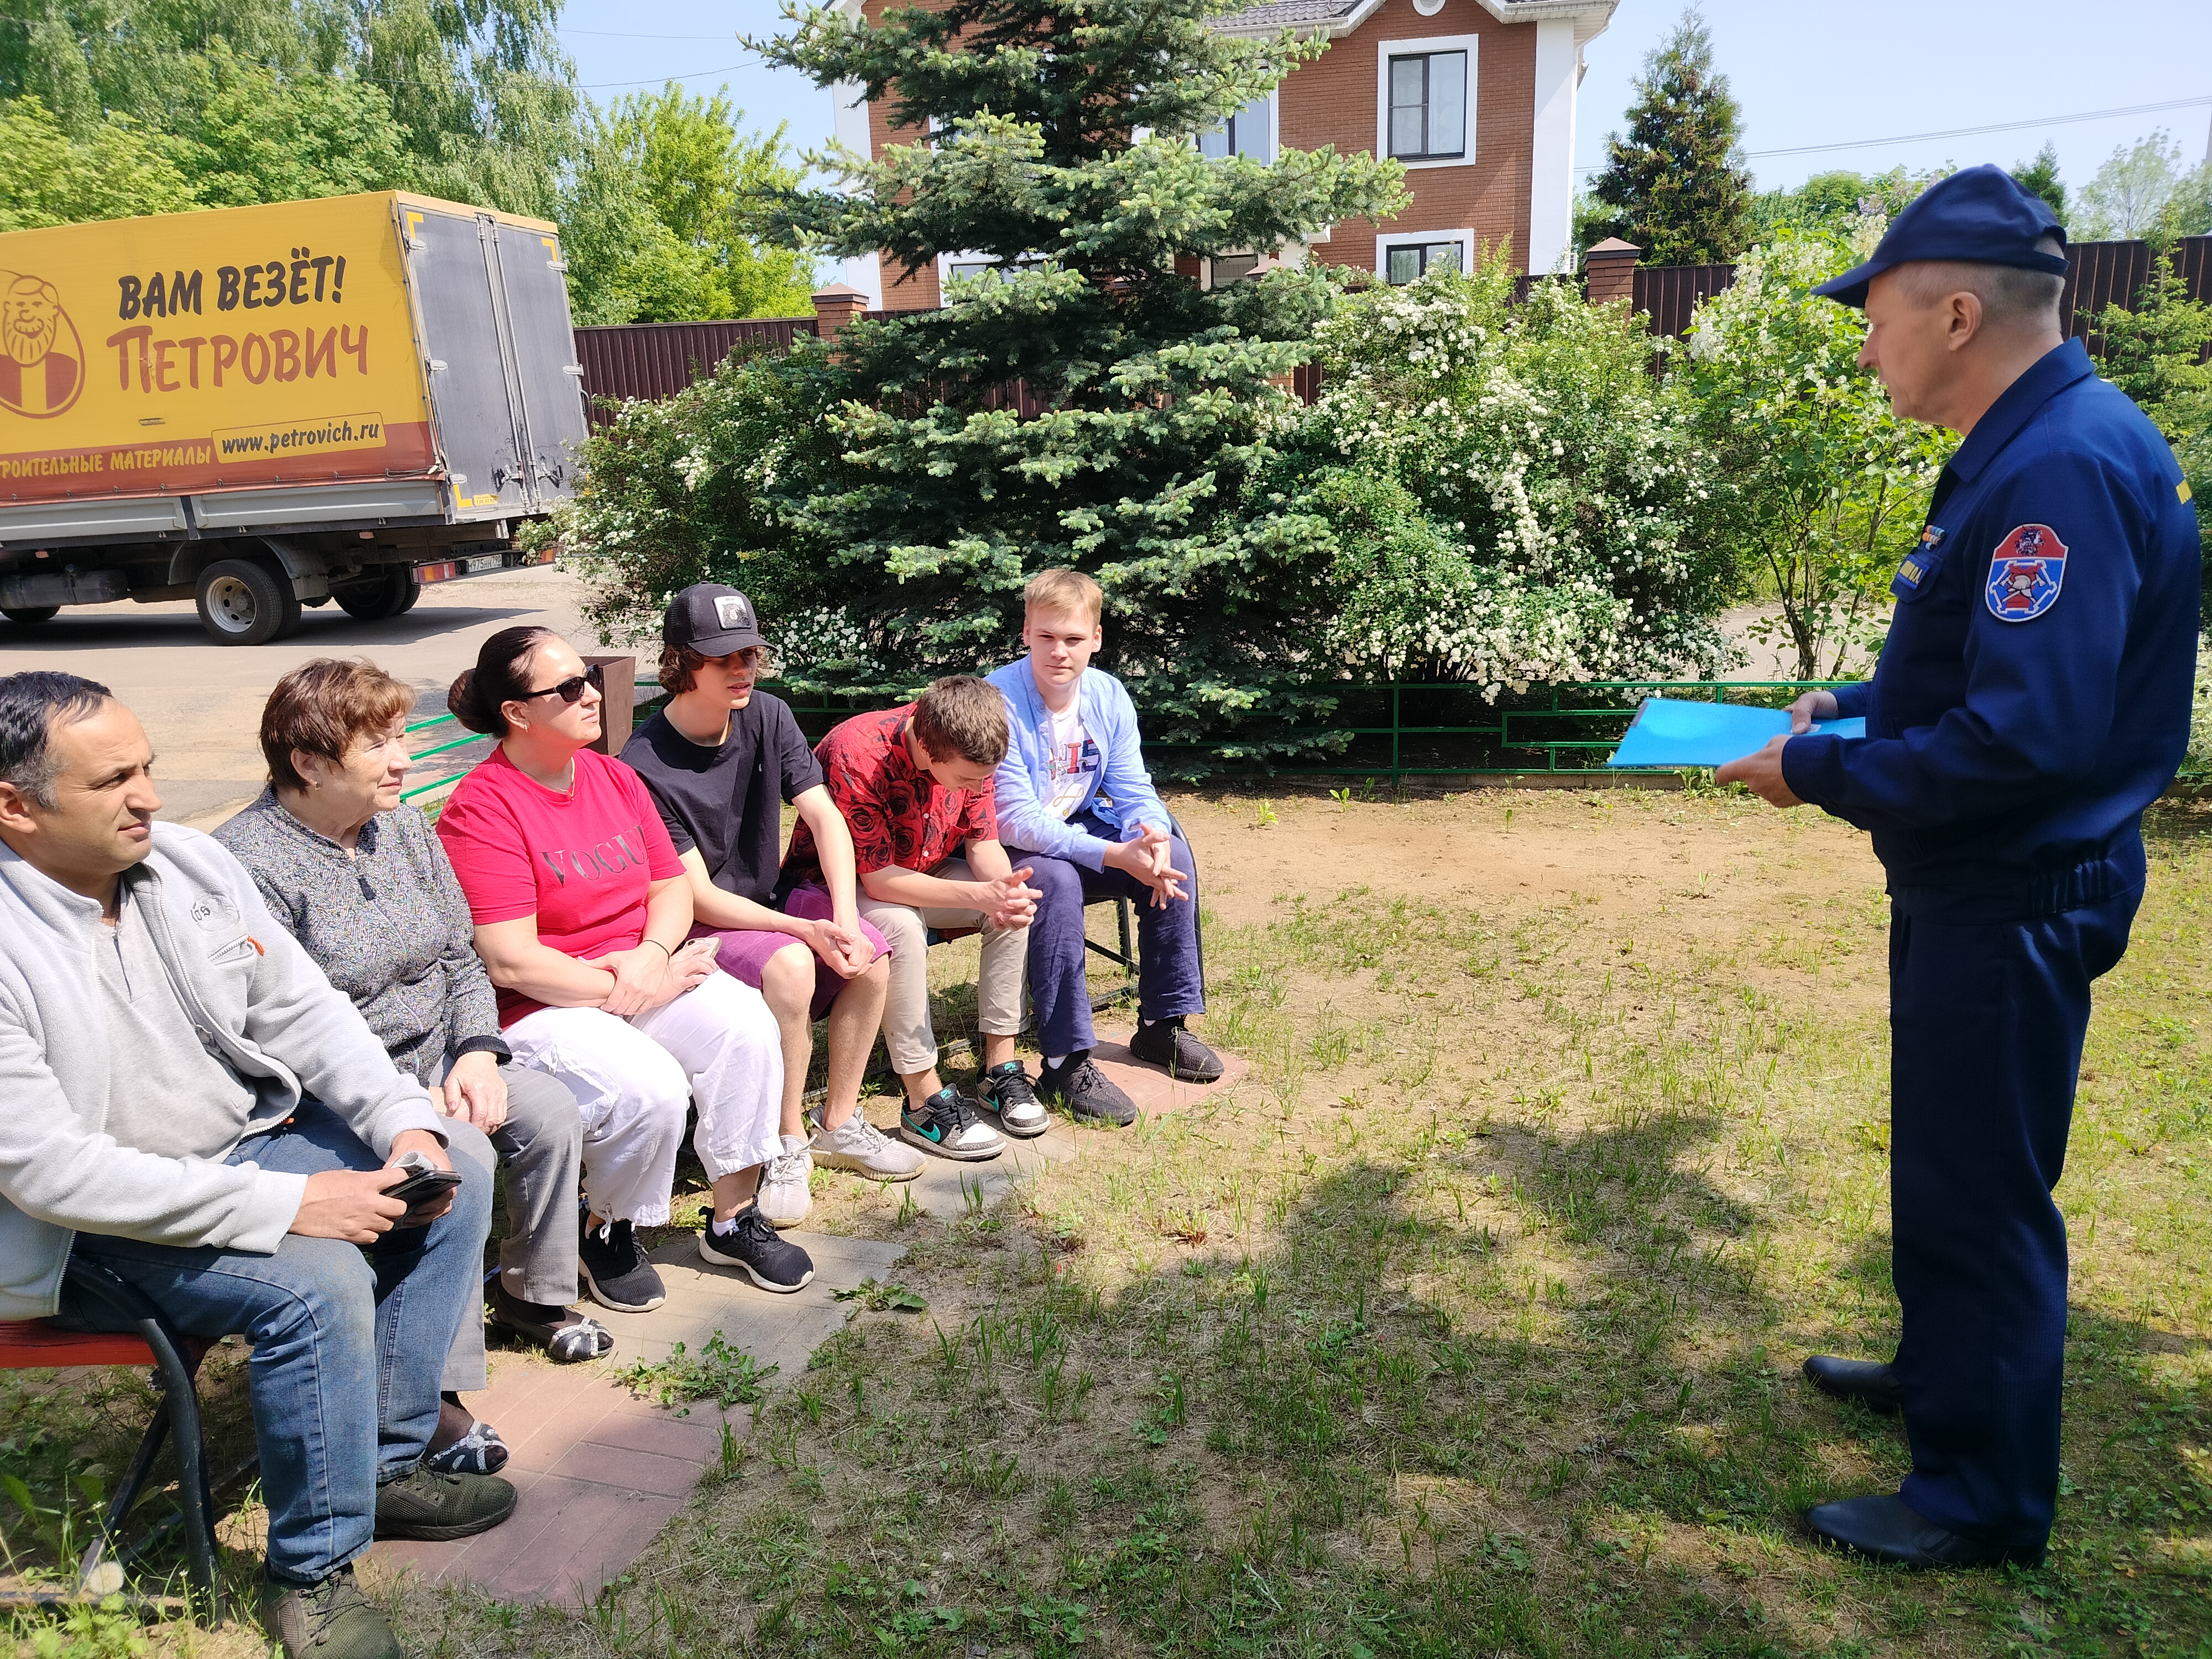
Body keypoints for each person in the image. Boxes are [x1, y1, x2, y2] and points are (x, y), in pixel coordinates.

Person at [1715, 166, 2200, 1568]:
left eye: (1870, 314)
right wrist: (1853, 712)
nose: (1861, 343)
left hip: (2009, 889)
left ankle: (1977, 1498)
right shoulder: (2036, 442)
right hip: (1977, 886)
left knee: (1979, 1186)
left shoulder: (2056, 463)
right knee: (1948, 1166)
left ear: (1954, 309)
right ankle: (1944, 1377)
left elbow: (2027, 739)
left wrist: (1811, 770)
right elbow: (1984, 667)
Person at [0, 672, 514, 1659]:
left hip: (243, 1146)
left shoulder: (187, 864)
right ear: (17, 807)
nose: (150, 795)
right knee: (313, 1285)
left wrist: (406, 1121)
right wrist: (289, 1203)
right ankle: (312, 1573)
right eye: (114, 780)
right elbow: (52, 1175)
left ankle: (386, 1464)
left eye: (148, 767)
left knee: (460, 1167)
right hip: (84, 1228)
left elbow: (303, 1011)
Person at [215, 659, 612, 1400]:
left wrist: (477, 1055)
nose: (405, 759)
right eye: (380, 746)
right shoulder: (247, 865)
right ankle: (437, 1391)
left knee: (549, 1109)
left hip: (444, 1057)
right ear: (308, 762)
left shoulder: (399, 828)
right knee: (456, 1154)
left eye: (402, 737)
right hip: (335, 1098)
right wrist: (406, 1098)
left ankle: (533, 1294)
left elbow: (461, 955)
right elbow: (274, 1028)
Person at [434, 628, 813, 1306]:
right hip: (543, 1005)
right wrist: (625, 986)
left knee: (746, 1029)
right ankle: (603, 1228)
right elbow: (510, 959)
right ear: (518, 714)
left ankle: (732, 1219)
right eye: (570, 687)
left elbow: (669, 889)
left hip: (638, 970)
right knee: (651, 1089)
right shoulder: (482, 808)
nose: (592, 695)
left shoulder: (614, 777)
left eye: (588, 677)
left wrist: (651, 956)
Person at [622, 586, 924, 1222]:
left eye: (750, 656)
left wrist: (843, 917)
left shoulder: (767, 713)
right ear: (681, 662)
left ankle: (837, 1123)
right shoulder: (642, 761)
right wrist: (803, 928)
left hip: (769, 901)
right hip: (700, 924)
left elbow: (824, 815)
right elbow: (696, 894)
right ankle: (787, 1141)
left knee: (867, 951)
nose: (741, 671)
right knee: (791, 962)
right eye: (722, 658)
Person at [988, 568, 1220, 1125]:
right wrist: (1115, 855)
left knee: (1176, 860)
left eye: (1073, 639)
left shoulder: (1107, 694)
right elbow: (1015, 819)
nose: (1059, 652)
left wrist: (1149, 832)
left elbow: (1132, 784)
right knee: (1057, 881)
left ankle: (1161, 1028)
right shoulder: (1000, 698)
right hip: (1016, 847)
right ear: (1026, 633)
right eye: (1046, 637)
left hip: (1078, 828)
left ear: (1095, 638)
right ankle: (1066, 1062)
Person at [786, 676, 1041, 1160]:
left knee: (1010, 913)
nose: (975, 787)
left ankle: (999, 1071)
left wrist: (1002, 893)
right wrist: (979, 893)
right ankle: (923, 1099)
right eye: (966, 779)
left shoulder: (971, 745)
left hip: (927, 868)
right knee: (900, 927)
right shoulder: (857, 752)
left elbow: (982, 842)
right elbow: (879, 880)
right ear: (927, 745)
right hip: (845, 886)